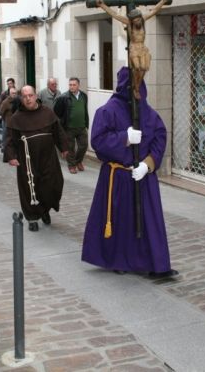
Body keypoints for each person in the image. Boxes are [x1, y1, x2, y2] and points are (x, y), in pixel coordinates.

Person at [81, 67, 176, 277]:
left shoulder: (149, 113)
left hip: (142, 178)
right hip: (118, 177)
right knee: (121, 220)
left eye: (139, 87)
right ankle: (119, 260)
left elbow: (160, 137)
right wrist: (124, 137)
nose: (137, 92)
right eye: (133, 87)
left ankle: (154, 263)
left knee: (148, 221)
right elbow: (97, 140)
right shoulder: (108, 111)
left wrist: (148, 164)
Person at [5, 85, 68, 232]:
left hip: (48, 157)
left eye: (30, 95)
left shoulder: (47, 113)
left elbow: (58, 131)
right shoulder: (16, 118)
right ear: (21, 98)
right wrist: (11, 156)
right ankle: (32, 217)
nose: (28, 99)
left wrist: (64, 147)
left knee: (53, 184)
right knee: (30, 187)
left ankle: (45, 209)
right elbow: (10, 139)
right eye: (25, 96)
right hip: (27, 159)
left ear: (36, 96)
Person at [96, 0, 170, 99]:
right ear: (132, 21)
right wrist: (102, 5)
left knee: (144, 68)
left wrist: (163, 1)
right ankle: (135, 89)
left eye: (139, 19)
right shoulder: (128, 23)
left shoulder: (143, 20)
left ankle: (137, 86)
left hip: (142, 48)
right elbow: (115, 14)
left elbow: (154, 10)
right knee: (137, 67)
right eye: (135, 21)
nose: (138, 22)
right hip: (134, 48)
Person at [54, 77, 89, 174]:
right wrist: (62, 123)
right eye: (70, 85)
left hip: (81, 126)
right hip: (69, 127)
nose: (72, 87)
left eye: (74, 85)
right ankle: (72, 165)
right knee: (70, 148)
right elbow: (57, 111)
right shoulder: (63, 97)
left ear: (78, 85)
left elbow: (84, 110)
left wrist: (86, 123)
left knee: (84, 146)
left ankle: (78, 161)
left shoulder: (84, 96)